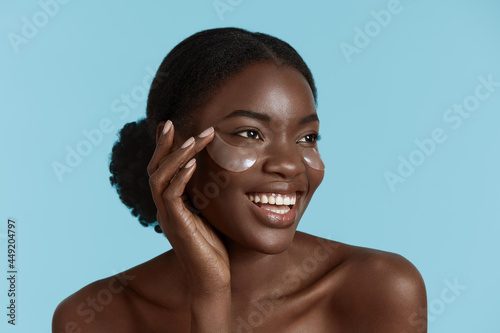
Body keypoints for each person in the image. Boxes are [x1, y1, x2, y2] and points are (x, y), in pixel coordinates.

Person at [52, 27, 427, 332]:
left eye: (307, 138)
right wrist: (211, 295)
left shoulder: (380, 291)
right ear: (173, 152)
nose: (290, 165)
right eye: (250, 133)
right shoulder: (94, 317)